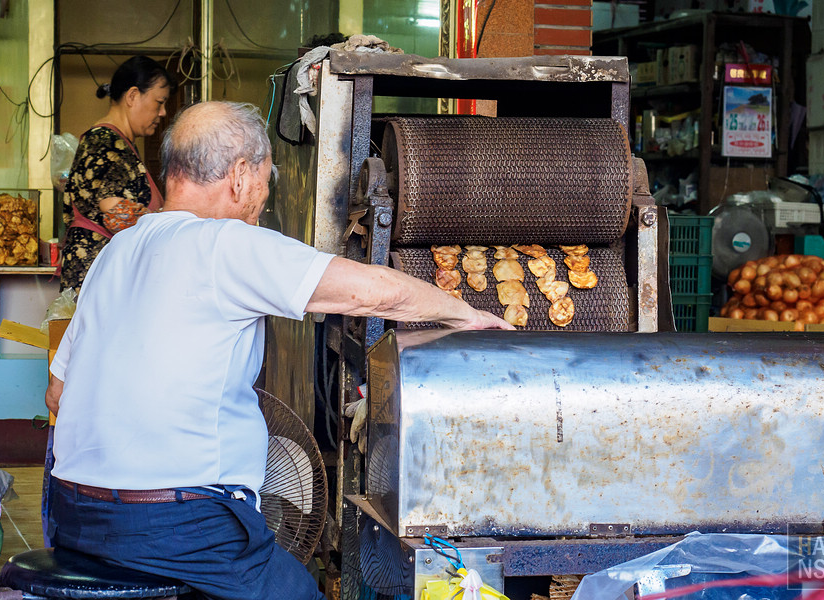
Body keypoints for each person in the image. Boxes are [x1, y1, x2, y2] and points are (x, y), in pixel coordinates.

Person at [45, 101, 512, 600]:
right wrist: (466, 315)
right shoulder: (226, 244)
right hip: (176, 525)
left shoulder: (115, 251)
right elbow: (374, 290)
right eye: (267, 181)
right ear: (241, 176)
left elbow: (57, 394)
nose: (264, 199)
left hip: (73, 516)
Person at [59, 55, 177, 294]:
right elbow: (114, 210)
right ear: (133, 96)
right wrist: (168, 223)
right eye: (159, 102)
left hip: (102, 276)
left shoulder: (117, 142)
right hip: (100, 280)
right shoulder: (106, 141)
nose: (163, 112)